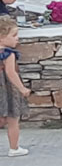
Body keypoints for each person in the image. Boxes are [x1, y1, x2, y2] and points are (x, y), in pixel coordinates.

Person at [0, 17, 31, 157]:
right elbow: (11, 73)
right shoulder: (8, 54)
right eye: (14, 35)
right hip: (7, 89)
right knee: (13, 119)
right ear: (1, 37)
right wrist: (22, 88)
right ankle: (14, 148)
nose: (17, 38)